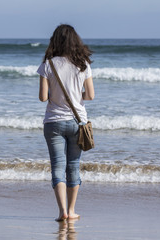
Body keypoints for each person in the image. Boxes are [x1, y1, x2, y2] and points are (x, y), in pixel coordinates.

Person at [37, 24, 94, 221]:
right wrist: (76, 94)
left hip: (53, 122)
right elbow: (91, 96)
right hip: (78, 122)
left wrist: (58, 95)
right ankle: (71, 211)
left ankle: (61, 212)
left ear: (55, 40)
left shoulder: (48, 64)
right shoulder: (83, 64)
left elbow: (43, 98)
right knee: (73, 166)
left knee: (57, 166)